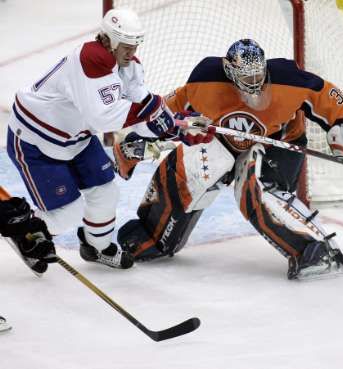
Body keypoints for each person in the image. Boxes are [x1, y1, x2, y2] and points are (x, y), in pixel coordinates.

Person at [115, 39, 343, 279]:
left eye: (259, 76)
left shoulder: (289, 79)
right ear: (230, 72)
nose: (256, 85)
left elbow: (329, 97)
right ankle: (154, 233)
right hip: (226, 141)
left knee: (255, 186)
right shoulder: (206, 79)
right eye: (247, 79)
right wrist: (137, 137)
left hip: (279, 144)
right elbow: (166, 112)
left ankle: (316, 250)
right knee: (190, 168)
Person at [5, 8, 209, 269]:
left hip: (76, 139)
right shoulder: (91, 59)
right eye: (126, 45)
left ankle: (96, 247)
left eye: (135, 45)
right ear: (109, 40)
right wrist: (154, 115)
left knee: (106, 192)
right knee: (68, 213)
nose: (132, 51)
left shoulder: (129, 67)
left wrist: (176, 126)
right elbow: (105, 118)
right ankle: (27, 233)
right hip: (36, 139)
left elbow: (144, 111)